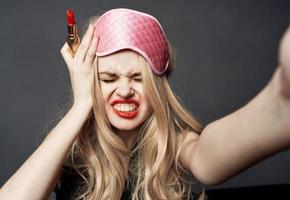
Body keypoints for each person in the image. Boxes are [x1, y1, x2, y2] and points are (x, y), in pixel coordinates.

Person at [0, 7, 290, 200]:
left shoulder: (173, 146)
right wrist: (81, 106)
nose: (125, 89)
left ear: (155, 86)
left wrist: (278, 99)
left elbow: (206, 159)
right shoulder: (72, 153)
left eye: (138, 78)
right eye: (109, 78)